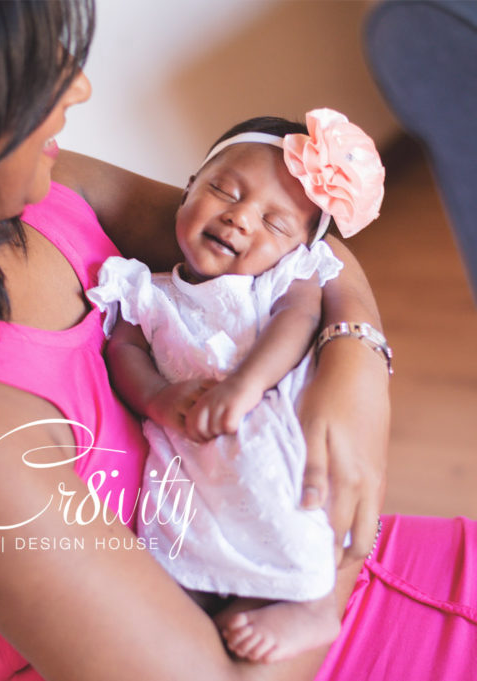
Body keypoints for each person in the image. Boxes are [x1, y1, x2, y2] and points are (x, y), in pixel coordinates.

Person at [0, 2, 475, 680]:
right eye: (33, 64)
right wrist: (336, 562)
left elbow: (312, 259)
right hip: (295, 623)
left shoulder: (47, 182)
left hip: (332, 561)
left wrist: (355, 365)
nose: (78, 85)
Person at [88, 111, 386, 663]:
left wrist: (247, 385)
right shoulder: (145, 289)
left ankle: (313, 602)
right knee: (175, 530)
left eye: (275, 224)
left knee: (282, 495)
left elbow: (295, 324)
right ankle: (203, 589)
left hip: (266, 418)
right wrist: (155, 396)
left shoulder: (283, 282)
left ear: (296, 248)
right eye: (224, 189)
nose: (240, 219)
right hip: (188, 442)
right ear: (188, 189)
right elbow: (122, 350)